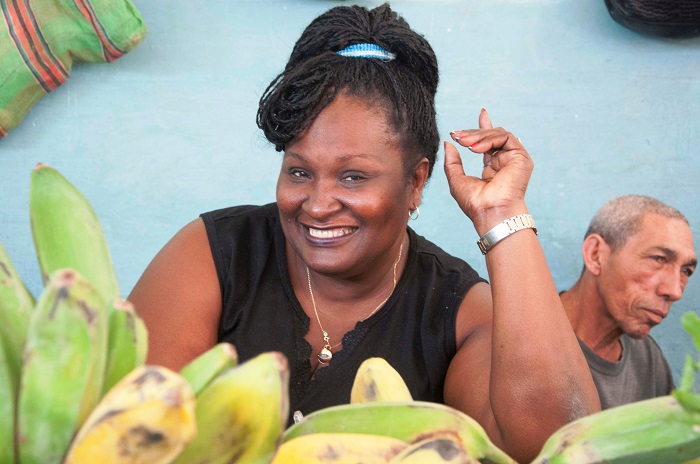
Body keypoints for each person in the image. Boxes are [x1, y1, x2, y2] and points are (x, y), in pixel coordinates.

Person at [128, 4, 599, 461]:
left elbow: (555, 445)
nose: (316, 204)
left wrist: (503, 215)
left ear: (415, 182)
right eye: (298, 172)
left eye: (353, 177)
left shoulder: (458, 313)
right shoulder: (216, 253)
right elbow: (135, 437)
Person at [560, 195, 696, 409]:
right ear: (596, 255)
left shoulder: (649, 361)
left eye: (686, 271)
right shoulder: (521, 341)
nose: (675, 291)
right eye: (658, 259)